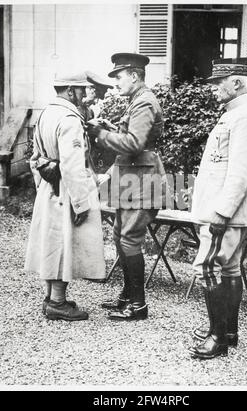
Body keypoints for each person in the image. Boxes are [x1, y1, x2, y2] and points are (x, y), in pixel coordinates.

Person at [189, 58, 247, 359]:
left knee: (207, 266)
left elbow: (241, 172)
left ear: (237, 83)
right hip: (233, 211)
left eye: (218, 82)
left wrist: (221, 212)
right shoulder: (234, 114)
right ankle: (228, 332)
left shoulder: (243, 116)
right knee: (230, 267)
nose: (212, 88)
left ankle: (218, 337)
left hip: (228, 213)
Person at [88, 52, 169, 321]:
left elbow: (135, 144)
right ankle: (126, 297)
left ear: (134, 76)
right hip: (133, 178)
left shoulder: (144, 102)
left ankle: (138, 304)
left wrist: (101, 134)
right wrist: (113, 128)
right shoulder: (137, 100)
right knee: (120, 236)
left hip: (142, 180)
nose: (116, 82)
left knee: (130, 239)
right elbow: (135, 138)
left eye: (119, 77)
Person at [24, 72, 106, 321]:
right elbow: (73, 165)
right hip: (67, 190)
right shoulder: (69, 118)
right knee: (63, 243)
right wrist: (81, 202)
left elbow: (35, 156)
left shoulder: (47, 113)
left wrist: (42, 184)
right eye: (81, 90)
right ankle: (58, 303)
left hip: (51, 188)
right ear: (70, 90)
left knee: (51, 241)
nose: (83, 94)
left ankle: (51, 297)